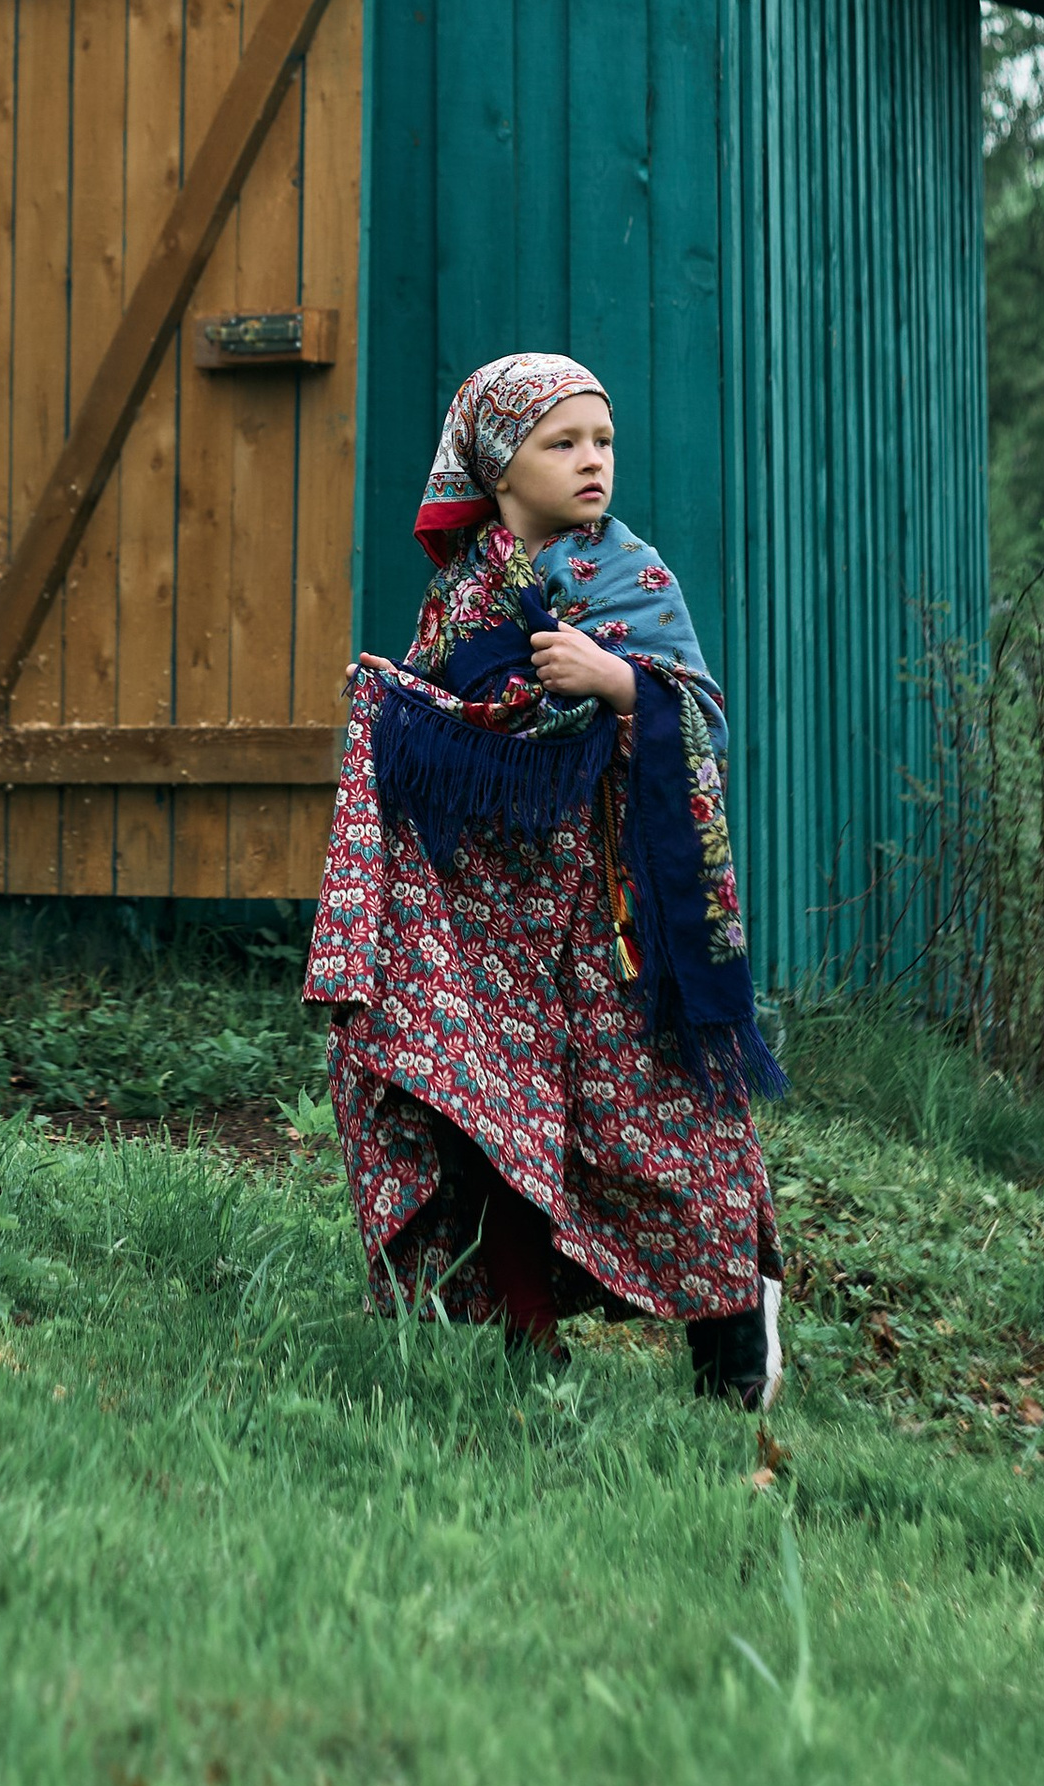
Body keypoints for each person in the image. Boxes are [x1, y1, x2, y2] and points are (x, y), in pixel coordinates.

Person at [305, 352, 784, 1407]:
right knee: (492, 1109)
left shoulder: (632, 575)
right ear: (497, 464)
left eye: (602, 441)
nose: (591, 462)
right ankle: (525, 1339)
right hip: (502, 924)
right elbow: (436, 730)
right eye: (561, 443)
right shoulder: (464, 592)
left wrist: (618, 684)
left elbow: (697, 720)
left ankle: (733, 1350)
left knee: (667, 1124)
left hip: (618, 918)